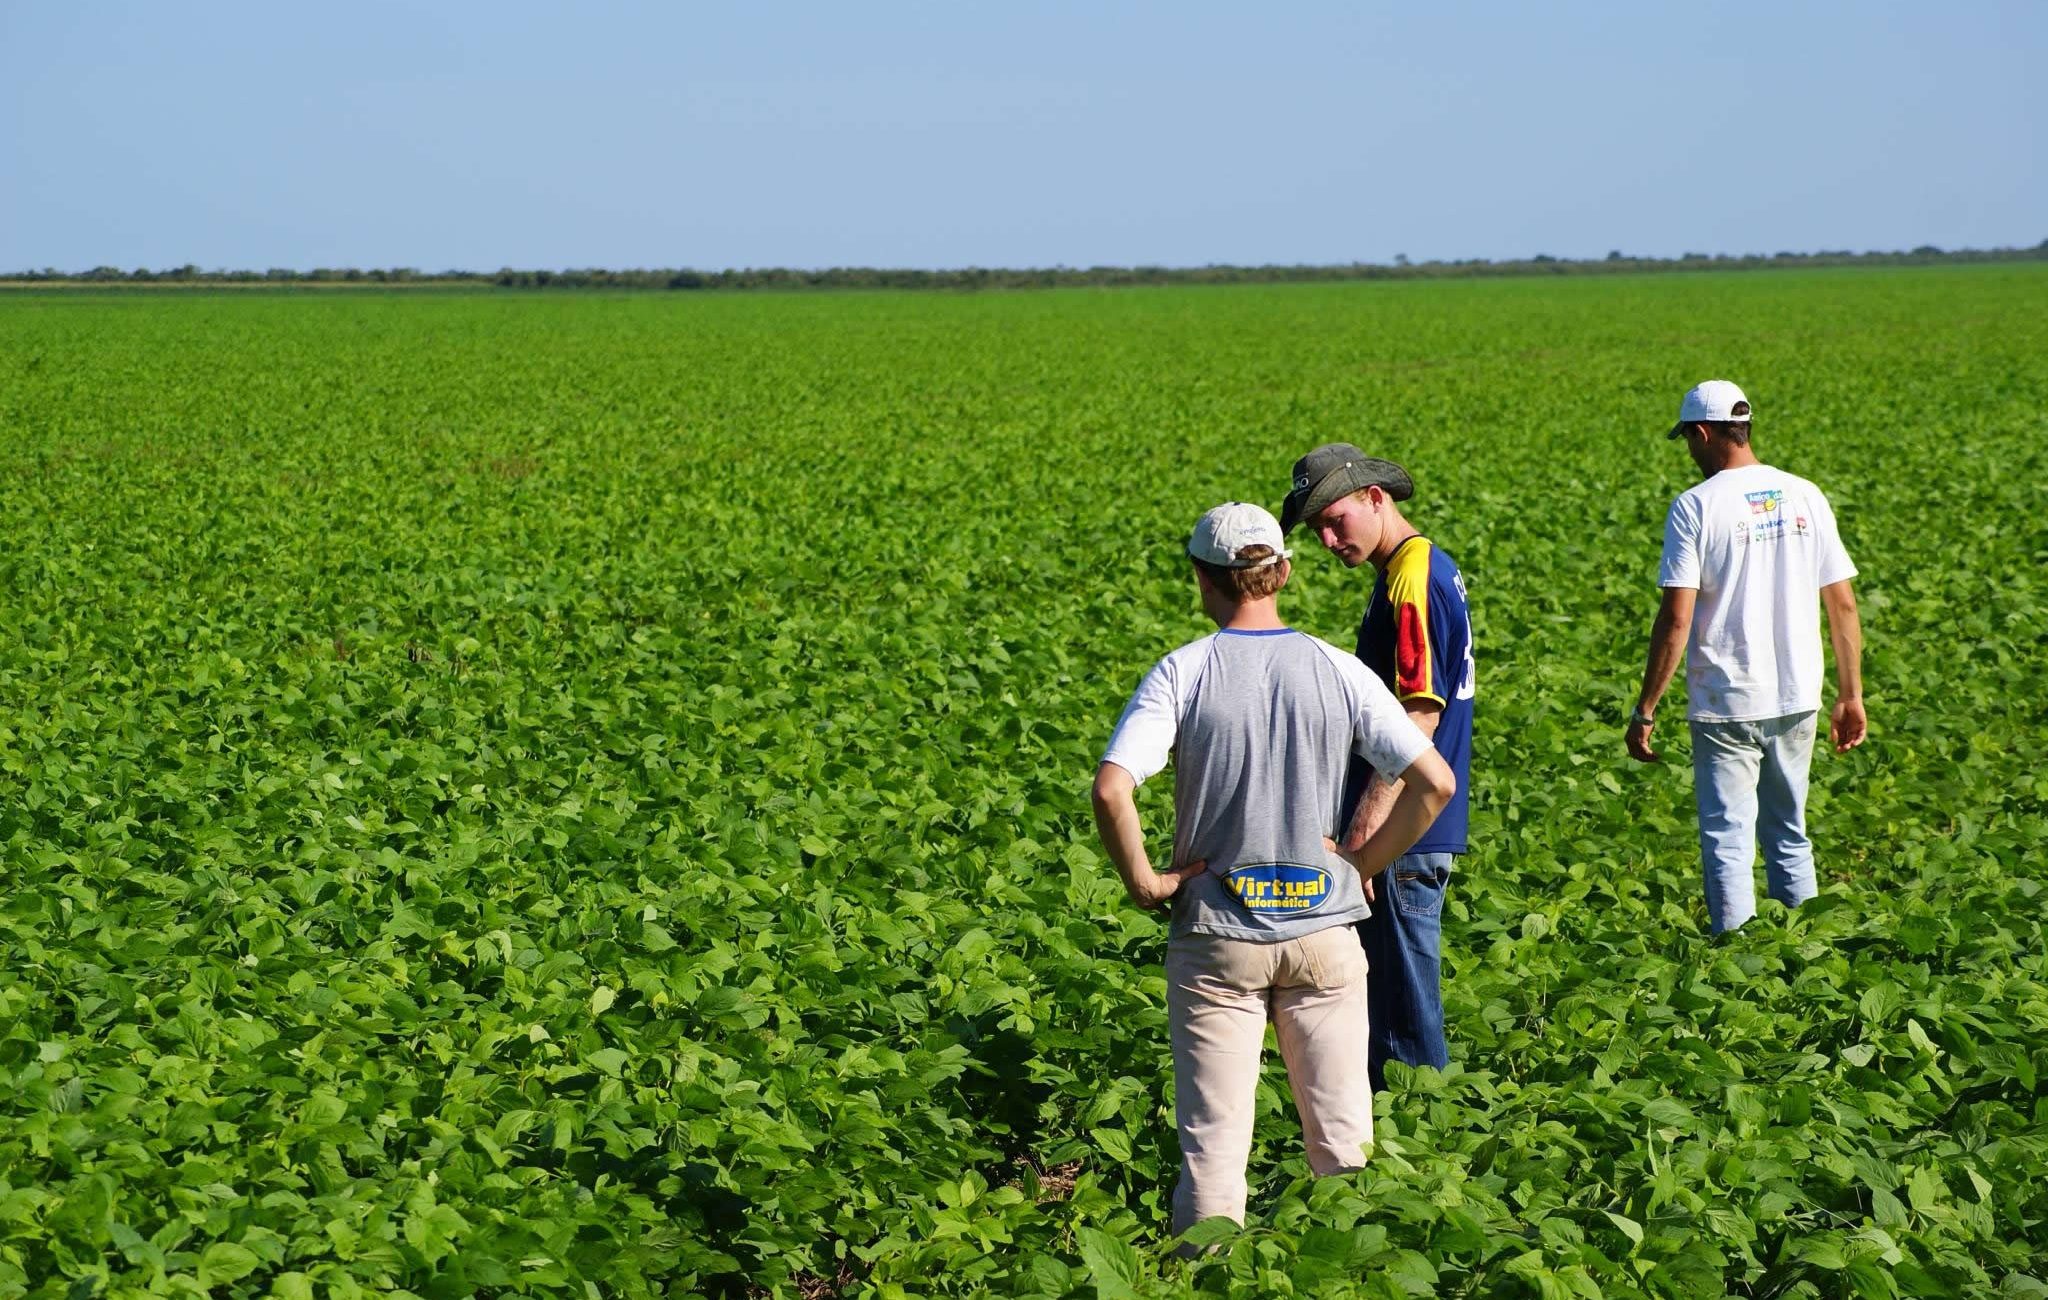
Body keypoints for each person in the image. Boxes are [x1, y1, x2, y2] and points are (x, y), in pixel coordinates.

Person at [1092, 501, 1453, 1237]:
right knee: (1343, 1140)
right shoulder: (1338, 668)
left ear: (1204, 579)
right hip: (1325, 935)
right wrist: (1359, 864)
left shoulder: (1184, 671)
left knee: (1214, 1148)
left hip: (1217, 937)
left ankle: (1208, 1280)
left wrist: (1146, 882)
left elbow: (1111, 787)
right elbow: (1435, 785)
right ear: (1282, 573)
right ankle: (1349, 1278)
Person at [1625, 380, 1867, 933]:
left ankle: (1736, 957)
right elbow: (1844, 603)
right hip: (1798, 696)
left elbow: (1677, 618)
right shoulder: (1805, 493)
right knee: (1790, 831)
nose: (1689, 450)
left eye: (1688, 438)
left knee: (1728, 836)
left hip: (1726, 700)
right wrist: (1850, 695)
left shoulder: (1694, 507)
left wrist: (1646, 708)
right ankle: (1807, 953)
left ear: (1704, 433)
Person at [1281, 445, 1473, 1089]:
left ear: (1375, 497)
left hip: (1404, 832)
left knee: (1403, 1012)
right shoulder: (1415, 569)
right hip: (1413, 825)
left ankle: (1420, 1134)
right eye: (1317, 532)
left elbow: (1417, 717)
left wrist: (1364, 841)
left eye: (1335, 520)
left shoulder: (1410, 579)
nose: (1330, 540)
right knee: (1389, 998)